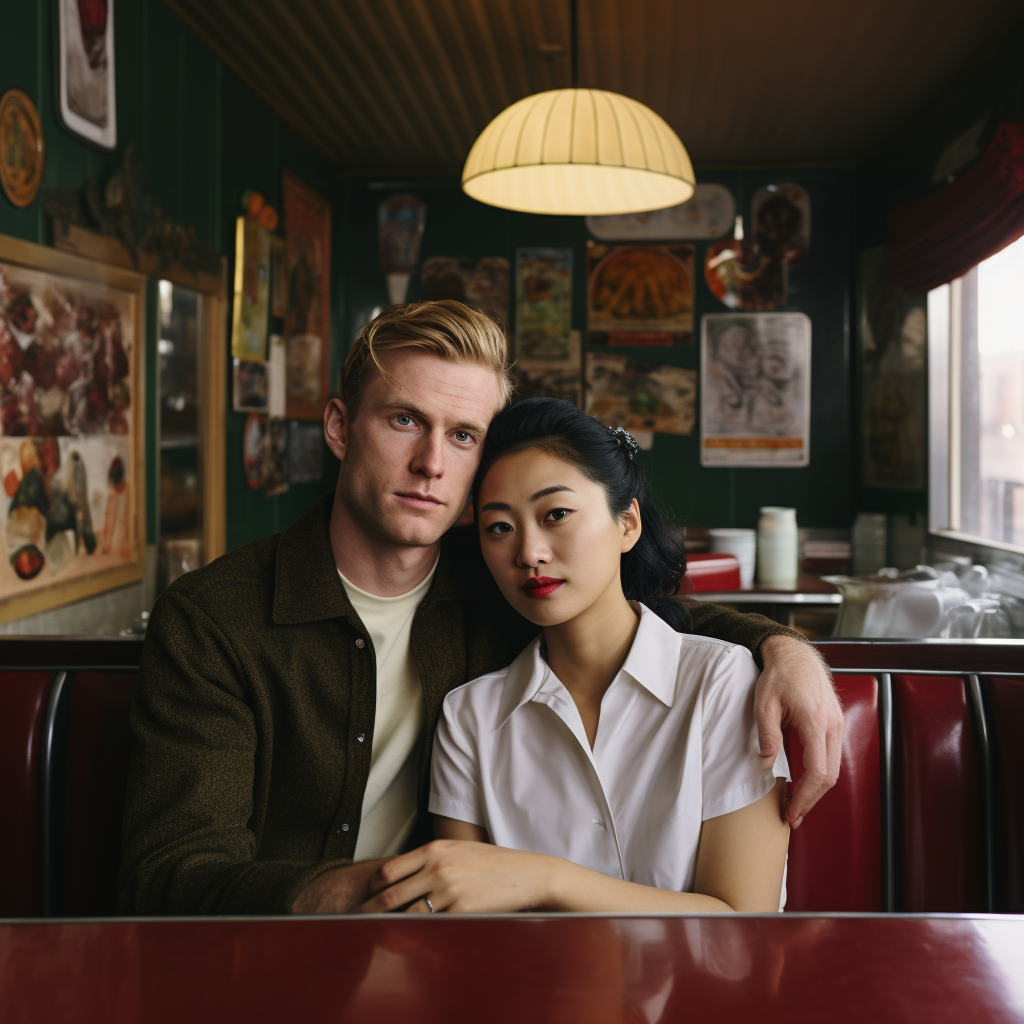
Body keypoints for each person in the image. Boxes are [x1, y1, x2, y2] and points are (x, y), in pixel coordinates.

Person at [118, 300, 842, 916]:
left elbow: (627, 608)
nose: (432, 462)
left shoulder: (504, 576)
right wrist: (389, 890)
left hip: (456, 950)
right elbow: (172, 875)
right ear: (339, 428)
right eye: (405, 420)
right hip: (279, 964)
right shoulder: (216, 620)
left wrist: (786, 652)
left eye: (463, 435)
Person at [355, 399, 790, 914]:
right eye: (499, 527)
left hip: (701, 993)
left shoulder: (721, 682)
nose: (529, 552)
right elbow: (466, 926)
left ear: (627, 524)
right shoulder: (469, 717)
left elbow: (745, 920)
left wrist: (548, 879)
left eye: (556, 514)